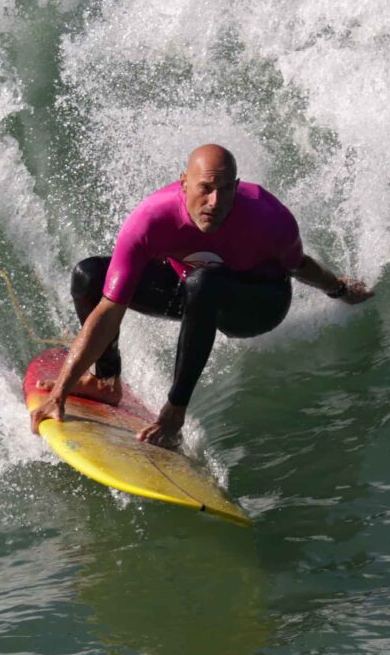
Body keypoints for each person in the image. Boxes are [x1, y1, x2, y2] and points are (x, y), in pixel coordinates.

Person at [27, 144, 372, 449]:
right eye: (205, 189)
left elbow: (299, 265)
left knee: (204, 281)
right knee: (89, 276)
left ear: (237, 187)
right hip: (193, 291)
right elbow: (109, 310)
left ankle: (174, 412)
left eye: (226, 190)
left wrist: (339, 289)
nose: (215, 202)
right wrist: (59, 393)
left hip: (257, 304)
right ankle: (106, 380)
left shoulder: (268, 218)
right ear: (184, 183)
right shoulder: (151, 220)